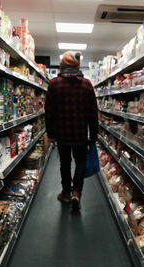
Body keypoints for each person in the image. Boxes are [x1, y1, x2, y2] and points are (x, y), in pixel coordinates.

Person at [45, 51, 99, 211]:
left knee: (65, 163)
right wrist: (94, 135)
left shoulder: (54, 84)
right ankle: (77, 192)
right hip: (80, 134)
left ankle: (66, 192)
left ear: (63, 65)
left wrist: (51, 134)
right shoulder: (87, 84)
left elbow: (49, 112)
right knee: (80, 162)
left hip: (62, 134)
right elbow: (92, 113)